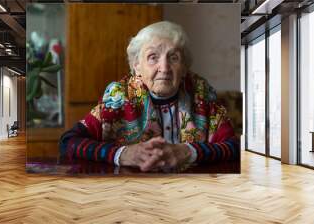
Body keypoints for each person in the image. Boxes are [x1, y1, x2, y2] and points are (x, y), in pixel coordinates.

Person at [59, 21, 239, 172]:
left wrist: (189, 151)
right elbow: (69, 142)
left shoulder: (202, 94)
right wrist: (121, 154)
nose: (165, 68)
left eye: (174, 58)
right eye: (153, 57)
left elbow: (235, 147)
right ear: (137, 65)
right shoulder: (119, 97)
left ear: (184, 67)